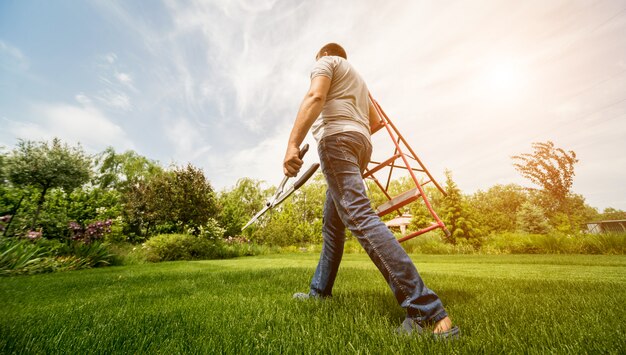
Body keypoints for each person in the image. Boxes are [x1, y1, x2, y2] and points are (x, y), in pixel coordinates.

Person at [282, 43, 459, 338]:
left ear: (323, 55)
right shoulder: (359, 80)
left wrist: (291, 144)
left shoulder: (327, 62)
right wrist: (353, 127)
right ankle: (319, 292)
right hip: (360, 144)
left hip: (337, 141)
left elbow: (315, 95)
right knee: (333, 228)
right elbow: (375, 122)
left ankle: (427, 312)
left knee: (359, 216)